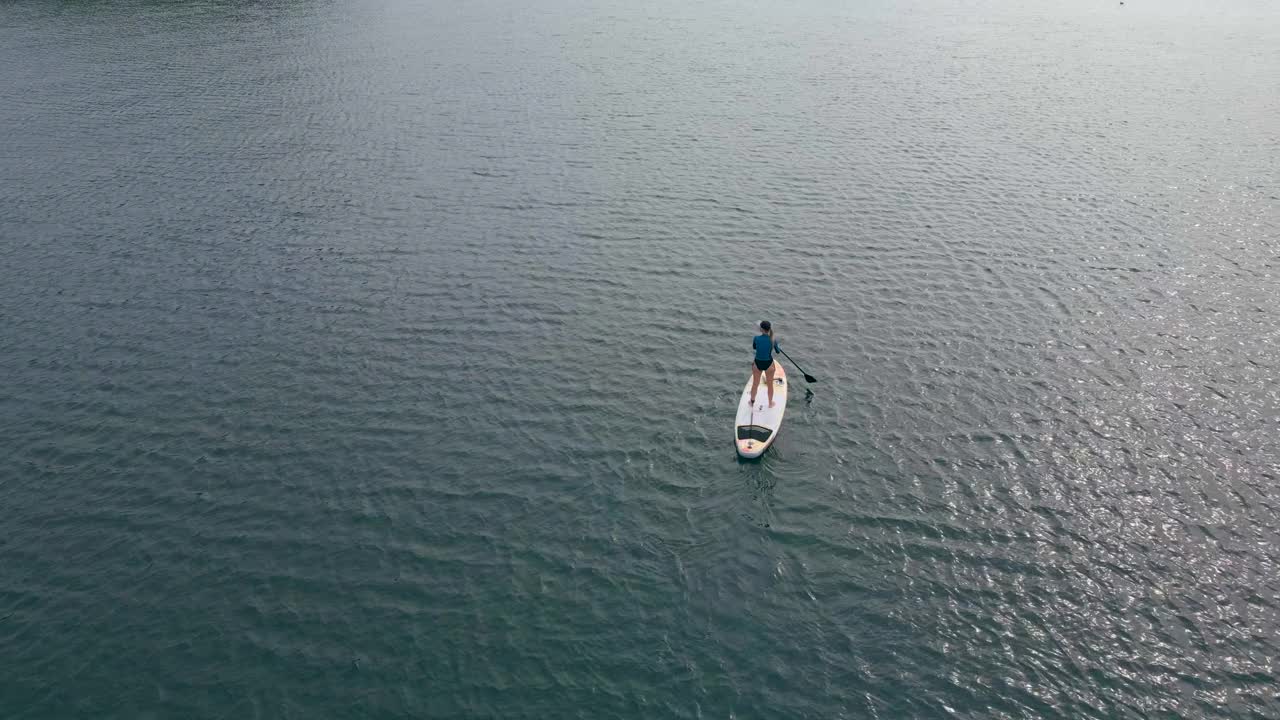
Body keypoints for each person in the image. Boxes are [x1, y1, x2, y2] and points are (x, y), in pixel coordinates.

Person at [750, 320, 778, 408]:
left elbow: (754, 347)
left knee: (755, 383)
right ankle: (770, 403)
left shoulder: (756, 338)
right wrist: (776, 345)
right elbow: (778, 351)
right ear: (769, 329)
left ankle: (752, 402)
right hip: (769, 364)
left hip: (757, 363)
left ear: (761, 329)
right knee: (770, 385)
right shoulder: (773, 340)